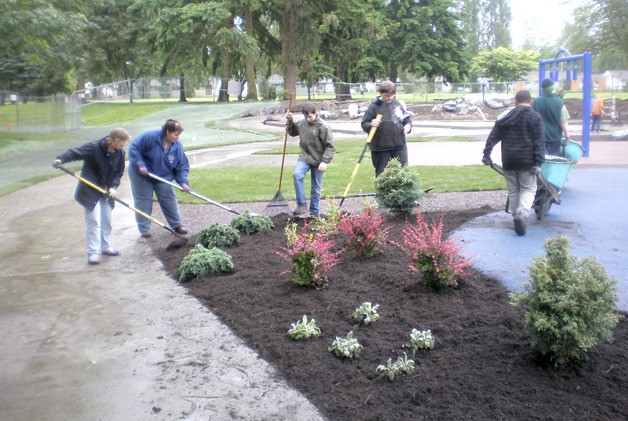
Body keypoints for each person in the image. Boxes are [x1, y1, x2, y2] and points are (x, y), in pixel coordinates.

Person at [53, 128, 129, 264]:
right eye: (123, 142)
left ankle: (105, 246)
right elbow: (75, 153)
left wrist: (113, 187)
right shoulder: (94, 148)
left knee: (107, 220)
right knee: (93, 222)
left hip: (106, 191)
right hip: (90, 191)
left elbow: (119, 172)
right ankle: (93, 253)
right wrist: (60, 159)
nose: (124, 145)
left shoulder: (120, 153)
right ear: (115, 141)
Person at [482, 90, 546, 236]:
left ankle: (515, 217)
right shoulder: (535, 118)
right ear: (531, 103)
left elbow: (492, 137)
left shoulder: (505, 117)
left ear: (515, 103)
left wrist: (486, 154)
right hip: (527, 162)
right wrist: (539, 163)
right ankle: (522, 215)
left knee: (514, 190)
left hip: (509, 160)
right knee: (528, 189)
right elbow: (540, 142)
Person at [128, 119, 190, 238]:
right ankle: (144, 228)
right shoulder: (150, 136)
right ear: (167, 132)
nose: (177, 137)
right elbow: (134, 148)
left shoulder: (177, 147)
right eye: (175, 134)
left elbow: (182, 166)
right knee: (143, 199)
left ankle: (177, 225)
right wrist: (140, 164)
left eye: (179, 135)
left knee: (168, 197)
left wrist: (183, 182)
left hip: (163, 175)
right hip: (141, 174)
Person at [286, 103, 336, 218]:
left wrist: (325, 161)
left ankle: (314, 213)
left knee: (316, 187)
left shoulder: (323, 126)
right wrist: (290, 121)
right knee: (297, 175)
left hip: (319, 160)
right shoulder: (302, 123)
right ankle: (302, 205)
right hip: (305, 157)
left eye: (310, 117)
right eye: (306, 117)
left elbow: (330, 147)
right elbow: (292, 132)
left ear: (316, 113)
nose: (308, 119)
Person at [361, 80, 412, 176]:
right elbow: (364, 124)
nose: (389, 98)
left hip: (399, 146)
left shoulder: (397, 104)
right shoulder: (374, 107)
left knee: (403, 175)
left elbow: (407, 119)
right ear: (381, 94)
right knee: (382, 176)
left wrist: (408, 125)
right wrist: (371, 124)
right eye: (386, 96)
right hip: (380, 148)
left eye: (391, 95)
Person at [532, 78, 570, 155]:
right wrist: (567, 136)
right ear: (553, 88)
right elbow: (563, 122)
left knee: (541, 161)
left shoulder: (535, 102)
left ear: (542, 89)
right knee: (554, 160)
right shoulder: (559, 103)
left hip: (538, 138)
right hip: (554, 138)